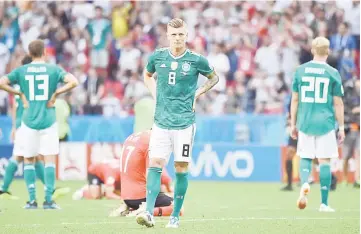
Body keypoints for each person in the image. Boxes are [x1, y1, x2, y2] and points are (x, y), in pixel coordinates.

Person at [136, 18, 219, 228]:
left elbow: (214, 78)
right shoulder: (157, 56)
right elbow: (147, 76)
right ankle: (148, 213)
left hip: (184, 122)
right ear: (167, 36)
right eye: (174, 35)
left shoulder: (196, 59)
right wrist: (155, 95)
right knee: (155, 163)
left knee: (180, 167)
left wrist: (198, 93)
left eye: (181, 34)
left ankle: (174, 216)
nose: (177, 38)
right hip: (161, 122)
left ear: (187, 35)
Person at [0, 39, 78, 209]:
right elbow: (73, 81)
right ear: (45, 52)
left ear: (29, 54)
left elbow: (1, 82)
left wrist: (19, 93)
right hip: (48, 120)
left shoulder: (22, 71)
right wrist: (57, 93)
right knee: (48, 159)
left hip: (28, 121)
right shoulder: (53, 69)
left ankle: (32, 200)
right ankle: (49, 200)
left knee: (28, 159)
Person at [290, 37, 345, 212]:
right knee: (324, 161)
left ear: (312, 50)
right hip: (325, 121)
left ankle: (305, 183)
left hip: (305, 120)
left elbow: (295, 99)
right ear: (327, 51)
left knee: (305, 156)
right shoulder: (333, 72)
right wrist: (341, 127)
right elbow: (338, 103)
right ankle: (324, 203)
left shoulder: (300, 71)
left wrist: (293, 123)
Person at [109, 130, 175, 218]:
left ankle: (127, 208)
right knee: (178, 207)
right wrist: (149, 202)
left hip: (126, 197)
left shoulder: (132, 136)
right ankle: (144, 210)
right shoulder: (153, 142)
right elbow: (151, 176)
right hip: (142, 197)